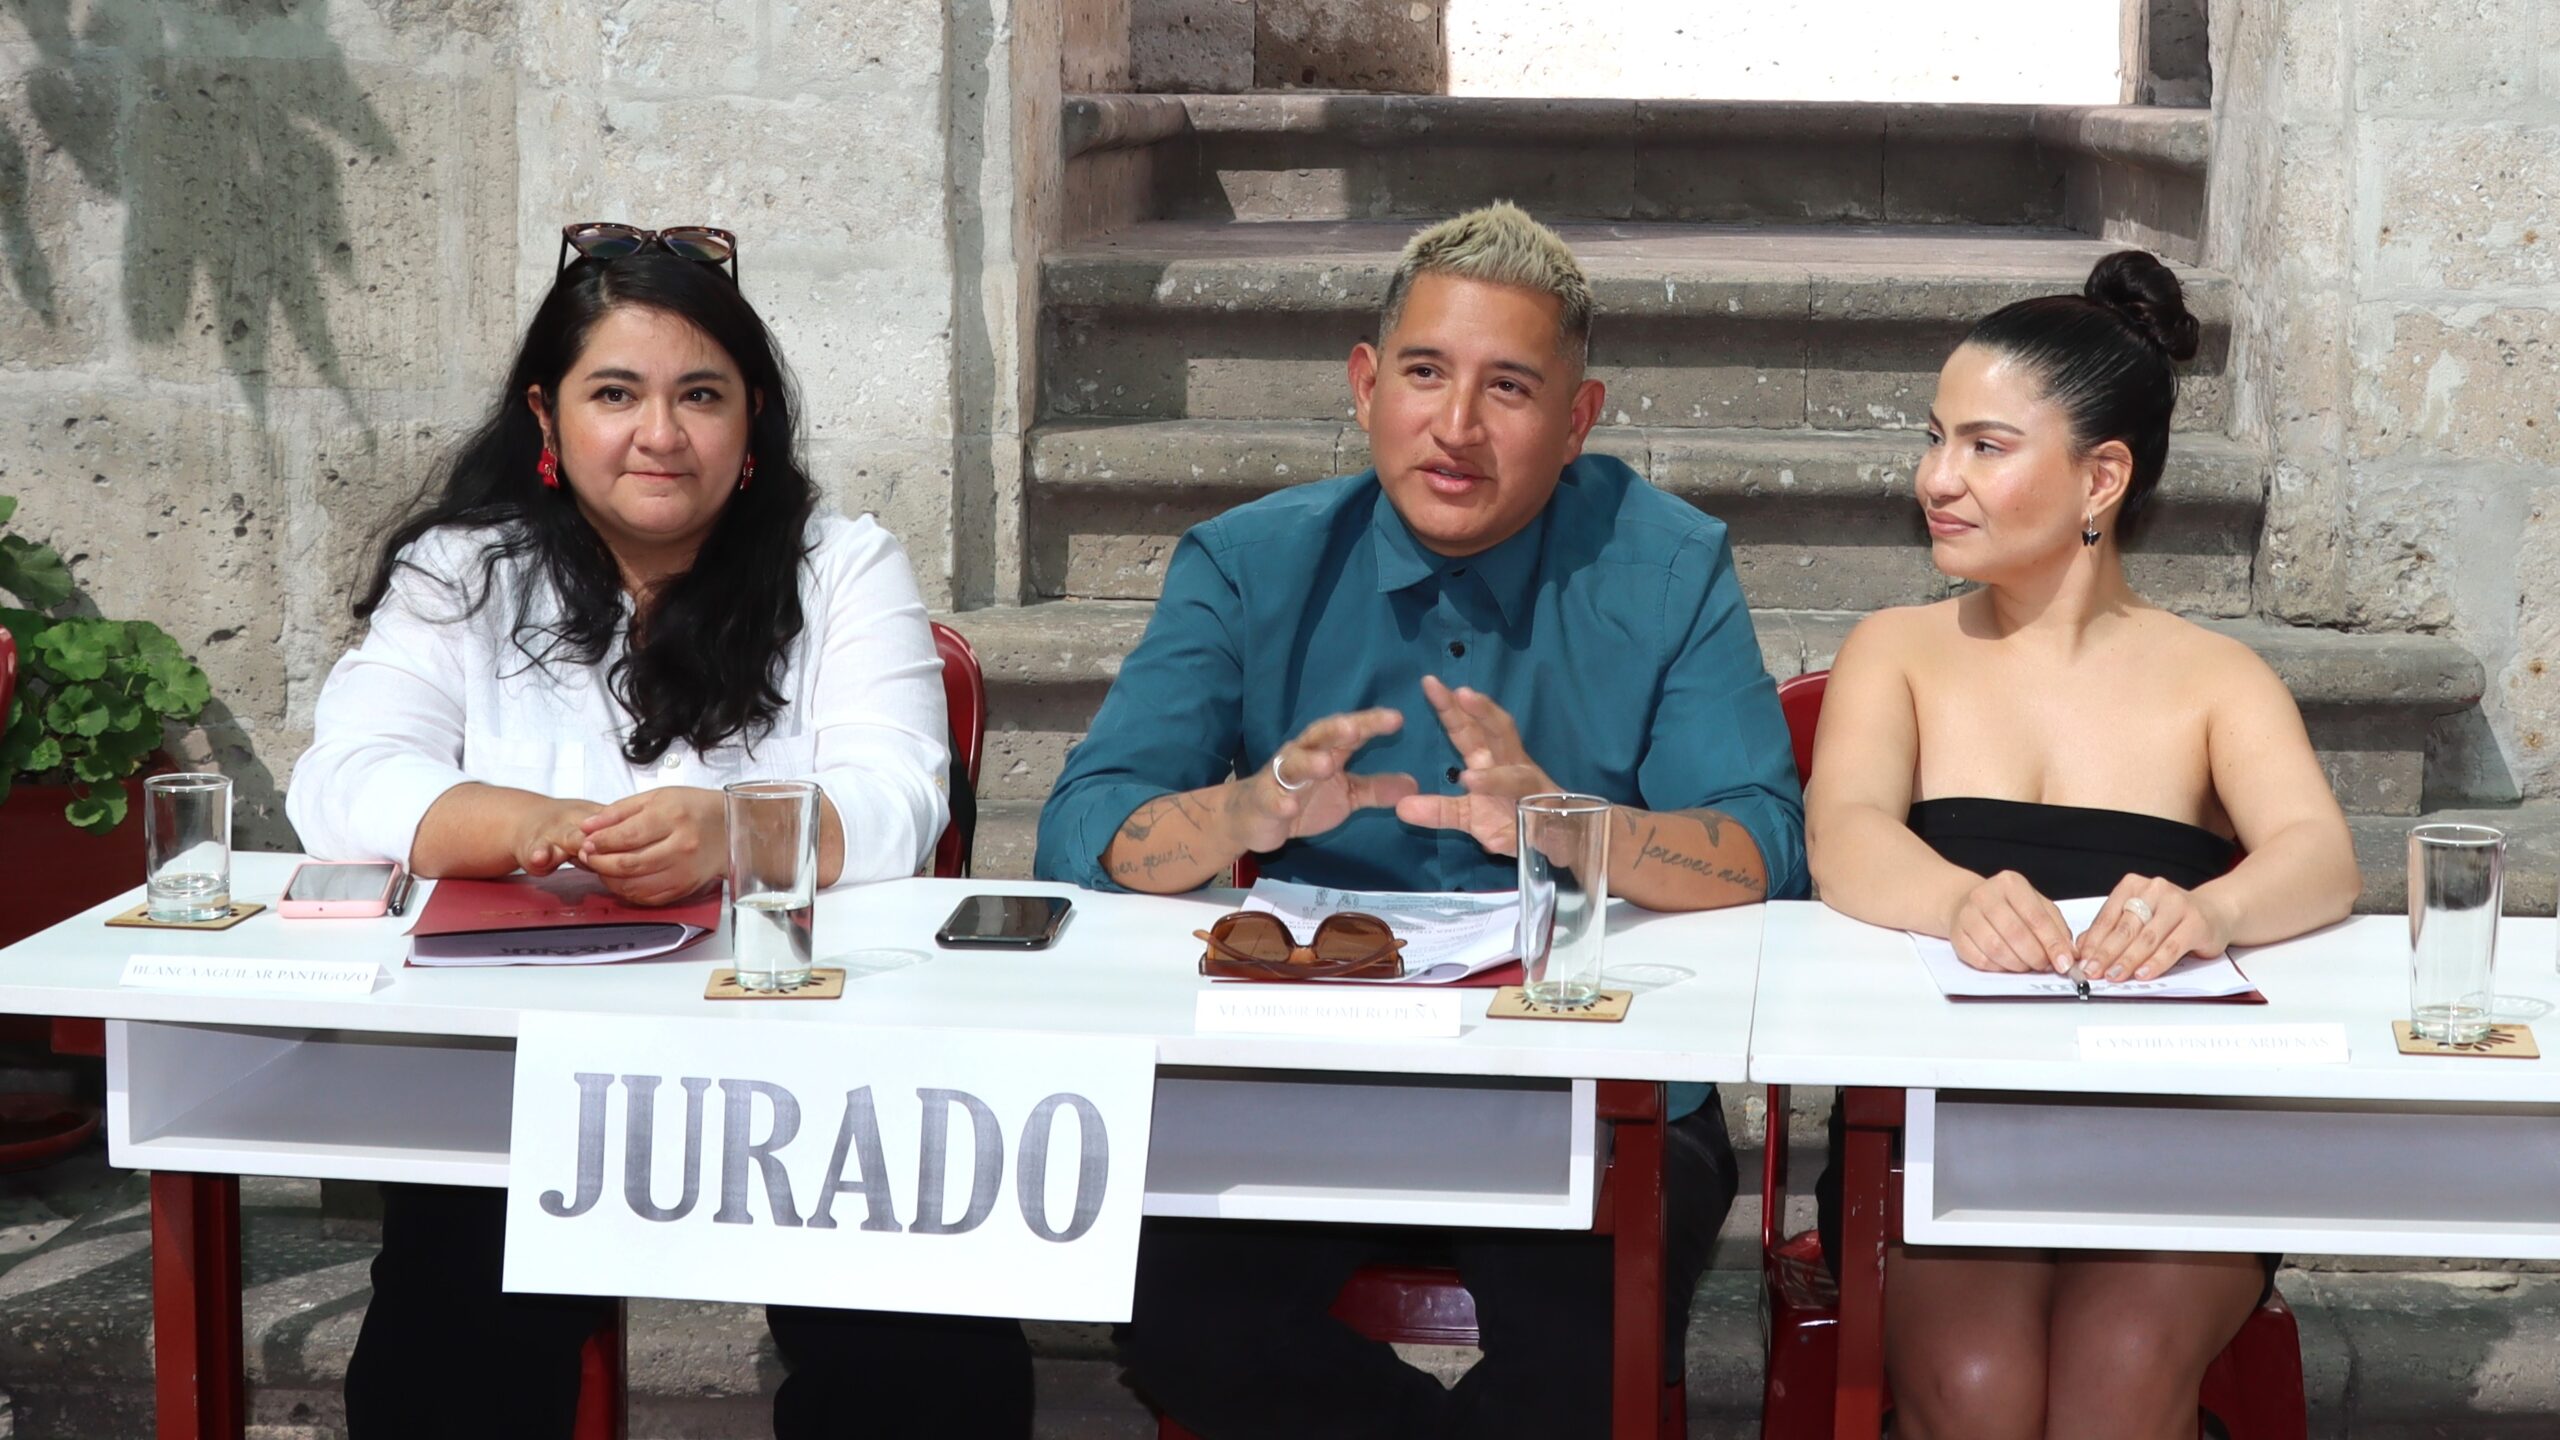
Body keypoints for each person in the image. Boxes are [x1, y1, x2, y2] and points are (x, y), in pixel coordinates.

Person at [1035, 202, 1805, 1438]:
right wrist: (1249, 809)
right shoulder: (1250, 563)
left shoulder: (1667, 566)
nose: (1456, 426)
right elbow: (1085, 828)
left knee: (1582, 1362)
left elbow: (1762, 848)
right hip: (1300, 1075)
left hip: (1584, 1080)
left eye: (1509, 388)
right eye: (1425, 374)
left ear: (1578, 419)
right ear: (1364, 385)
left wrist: (1570, 827)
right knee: (1182, 1323)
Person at [285, 224, 1027, 1440]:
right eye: (616, 394)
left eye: (701, 396)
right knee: (445, 1352)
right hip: (529, 1070)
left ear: (753, 421)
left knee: (929, 1367)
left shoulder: (843, 568)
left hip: (818, 1074)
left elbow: (900, 796)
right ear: (547, 414)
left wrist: (735, 833)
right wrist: (535, 826)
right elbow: (345, 779)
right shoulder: (462, 572)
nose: (661, 435)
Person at [1803, 250, 2361, 1440]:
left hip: (2175, 1123)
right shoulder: (1895, 649)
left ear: (2101, 475)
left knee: (2115, 1380)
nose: (1936, 478)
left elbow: (2319, 855)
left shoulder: (2216, 676)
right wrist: (1953, 901)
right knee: (1980, 1389)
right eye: (1936, 439)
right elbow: (1844, 835)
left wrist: (2211, 910)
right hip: (1943, 1121)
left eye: (1985, 447)